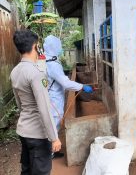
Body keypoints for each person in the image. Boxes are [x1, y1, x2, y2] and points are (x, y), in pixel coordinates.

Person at [10, 30, 61, 175]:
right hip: (38, 135)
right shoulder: (36, 73)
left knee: (26, 169)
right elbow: (44, 109)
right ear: (35, 46)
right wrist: (54, 138)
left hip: (24, 130)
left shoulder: (15, 71)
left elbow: (19, 103)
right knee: (41, 171)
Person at [43, 35, 93, 157]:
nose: (60, 49)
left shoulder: (47, 59)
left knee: (53, 123)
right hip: (53, 98)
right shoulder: (53, 64)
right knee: (54, 122)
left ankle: (51, 150)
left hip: (51, 94)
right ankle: (49, 153)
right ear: (54, 47)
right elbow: (65, 83)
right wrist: (82, 86)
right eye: (58, 46)